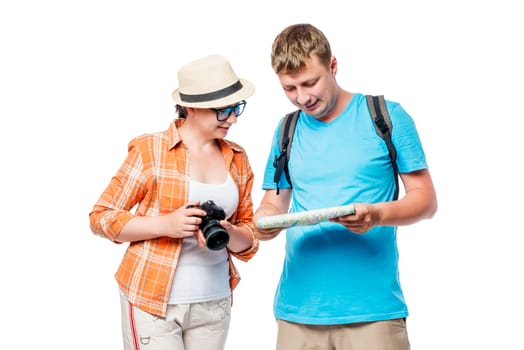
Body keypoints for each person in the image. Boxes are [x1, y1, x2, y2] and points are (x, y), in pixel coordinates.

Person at [253, 23, 438, 350]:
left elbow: (426, 202)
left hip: (373, 313)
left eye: (310, 82)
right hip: (297, 312)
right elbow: (274, 203)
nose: (302, 97)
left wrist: (375, 214)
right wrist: (264, 222)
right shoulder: (287, 129)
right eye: (289, 88)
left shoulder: (385, 116)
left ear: (333, 66)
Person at [89, 54, 259, 350]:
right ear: (192, 107)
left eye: (236, 108)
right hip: (152, 303)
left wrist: (228, 232)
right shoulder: (150, 150)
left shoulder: (238, 158)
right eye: (223, 110)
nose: (232, 118)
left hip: (214, 303)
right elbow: (100, 218)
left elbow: (250, 236)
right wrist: (165, 224)